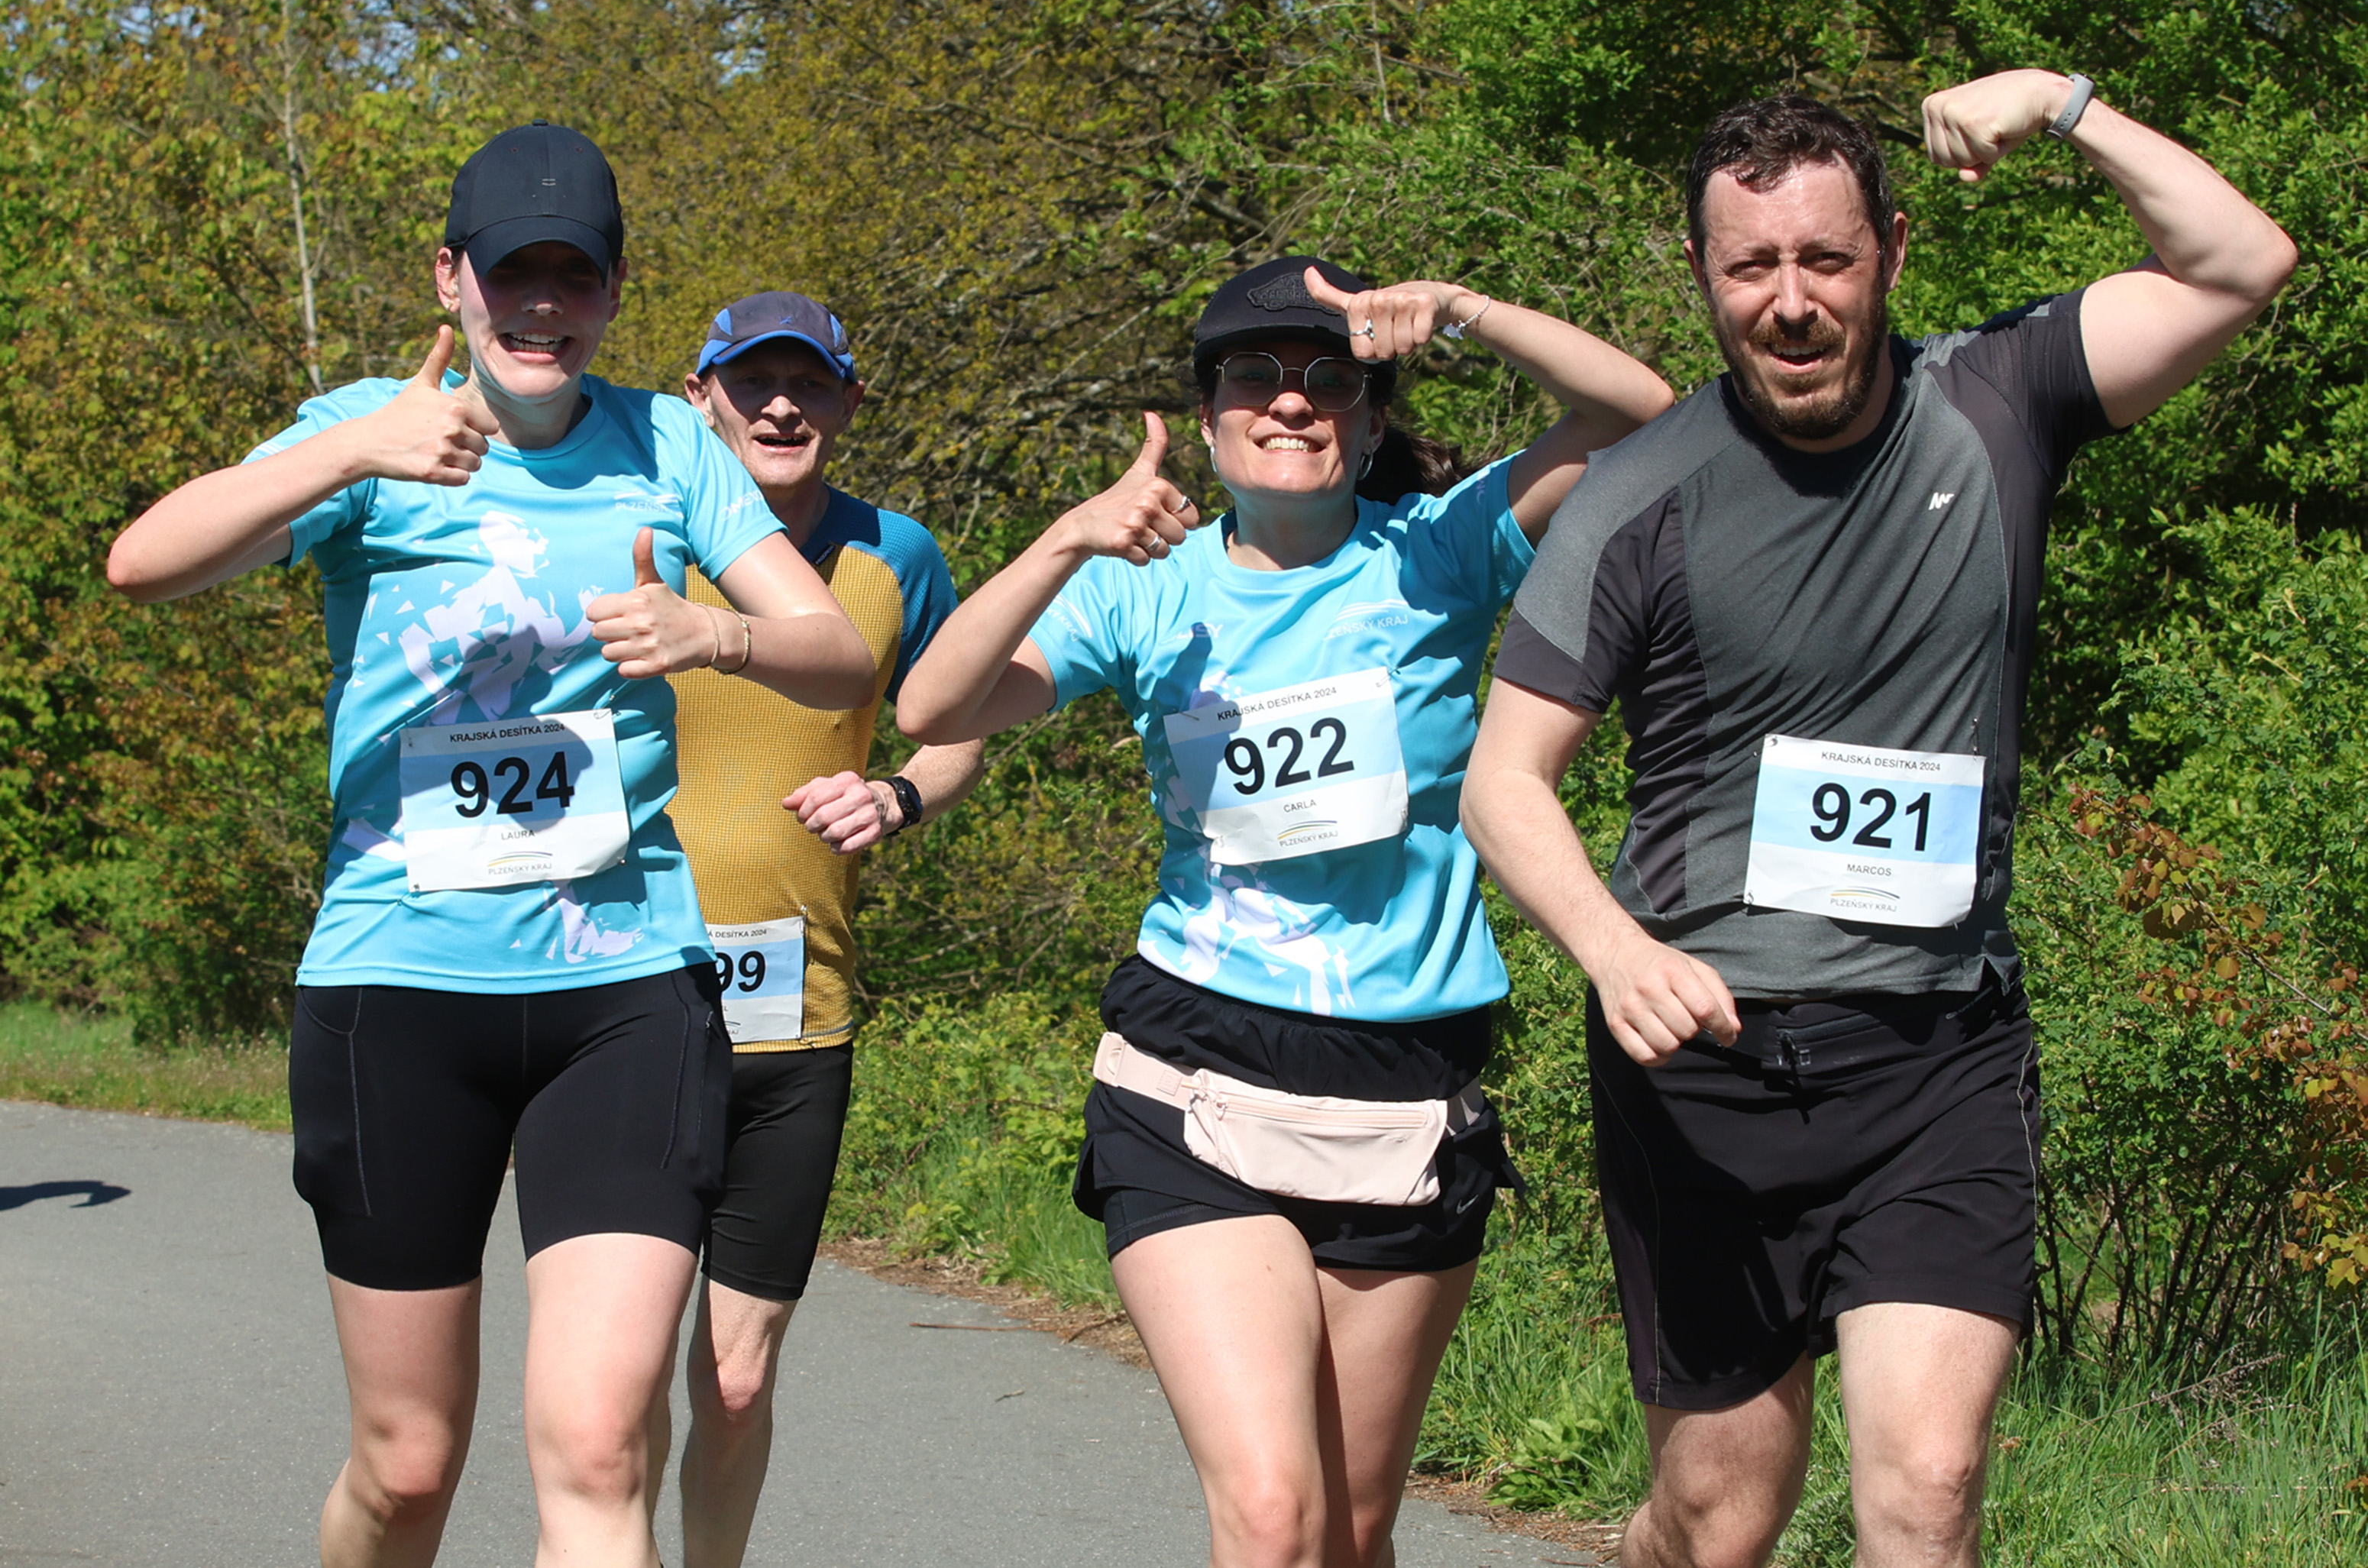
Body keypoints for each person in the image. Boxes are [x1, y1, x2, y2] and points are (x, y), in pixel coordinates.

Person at [1460, 77, 2295, 1568]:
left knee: (1924, 1488)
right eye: (1749, 267)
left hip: (1936, 1049)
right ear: (1704, 277)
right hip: (1705, 1064)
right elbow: (1502, 779)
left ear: (1892, 253)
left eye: (1824, 259)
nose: (1788, 302)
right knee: (1720, 1516)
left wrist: (2062, 105)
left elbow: (2241, 263)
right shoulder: (1638, 496)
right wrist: (1612, 948)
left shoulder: (1998, 399)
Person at [105, 123, 874, 1568]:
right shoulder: (369, 431)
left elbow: (837, 655)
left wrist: (713, 633)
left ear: (613, 292)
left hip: (625, 988)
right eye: (513, 273)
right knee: (407, 1469)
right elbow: (142, 565)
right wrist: (354, 452)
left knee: (599, 1447)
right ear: (450, 278)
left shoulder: (666, 445)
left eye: (573, 278)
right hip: (397, 985)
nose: (542, 306)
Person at [898, 254, 1674, 1568]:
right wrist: (1068, 537)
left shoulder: (1443, 547)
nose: (1294, 401)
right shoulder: (1142, 587)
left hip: (1403, 1085)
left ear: (1369, 422)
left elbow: (1640, 413)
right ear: (1208, 420)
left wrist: (1463, 310)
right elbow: (933, 705)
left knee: (1352, 1534)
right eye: (1256, 377)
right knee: (1271, 1519)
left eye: (1330, 380)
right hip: (1195, 1075)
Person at [655, 290, 984, 1567]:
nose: (780, 406)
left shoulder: (897, 554)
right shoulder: (637, 537)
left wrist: (899, 793)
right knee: (619, 1375)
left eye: (807, 383)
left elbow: (956, 728)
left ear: (848, 402)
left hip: (796, 1017)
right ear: (702, 398)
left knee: (736, 1382)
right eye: (751, 382)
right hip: (623, 1005)